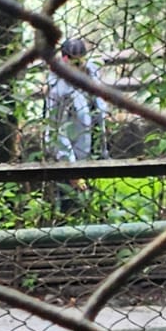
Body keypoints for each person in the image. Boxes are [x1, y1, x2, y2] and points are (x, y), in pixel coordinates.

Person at [46, 37, 105, 211]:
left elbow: (99, 111)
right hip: (68, 161)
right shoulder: (58, 87)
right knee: (68, 209)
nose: (78, 63)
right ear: (65, 60)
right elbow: (56, 129)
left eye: (81, 58)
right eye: (73, 59)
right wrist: (71, 169)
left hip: (89, 154)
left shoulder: (91, 74)